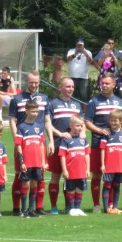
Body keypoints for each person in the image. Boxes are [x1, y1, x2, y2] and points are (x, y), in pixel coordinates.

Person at [9, 71, 53, 216]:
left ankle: (37, 207)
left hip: (39, 142)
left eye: (36, 82)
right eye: (31, 82)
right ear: (26, 82)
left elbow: (47, 121)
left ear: (39, 82)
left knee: (39, 175)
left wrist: (51, 140)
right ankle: (17, 207)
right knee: (20, 175)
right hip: (24, 142)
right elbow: (12, 121)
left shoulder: (44, 98)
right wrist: (17, 141)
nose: (34, 85)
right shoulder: (17, 99)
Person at [84, 73, 122, 213]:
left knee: (114, 176)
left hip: (116, 146)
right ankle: (97, 204)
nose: (104, 85)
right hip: (99, 143)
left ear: (114, 85)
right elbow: (87, 122)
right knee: (97, 174)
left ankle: (111, 206)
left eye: (107, 83)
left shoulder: (120, 102)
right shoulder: (94, 101)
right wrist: (100, 130)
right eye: (102, 83)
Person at [46, 77, 83, 214]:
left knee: (71, 177)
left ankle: (70, 207)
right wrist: (59, 134)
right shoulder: (52, 104)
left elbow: (81, 123)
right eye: (67, 86)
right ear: (60, 87)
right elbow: (48, 124)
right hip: (58, 145)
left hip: (74, 149)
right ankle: (54, 207)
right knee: (56, 176)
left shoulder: (77, 105)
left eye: (72, 87)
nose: (71, 89)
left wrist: (83, 134)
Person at [14, 100, 46, 217]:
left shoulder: (39, 127)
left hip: (37, 162)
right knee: (25, 184)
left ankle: (31, 209)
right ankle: (23, 209)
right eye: (33, 111)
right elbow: (18, 146)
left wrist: (43, 161)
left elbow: (42, 145)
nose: (35, 113)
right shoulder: (21, 127)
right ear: (26, 111)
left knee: (34, 184)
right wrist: (21, 162)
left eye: (37, 111)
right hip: (27, 162)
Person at [59, 115, 90, 216]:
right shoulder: (66, 139)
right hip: (70, 170)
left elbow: (87, 155)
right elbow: (62, 156)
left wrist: (88, 169)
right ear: (71, 125)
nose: (80, 128)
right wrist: (64, 170)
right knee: (71, 189)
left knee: (79, 189)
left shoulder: (83, 140)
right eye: (77, 125)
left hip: (82, 170)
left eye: (81, 126)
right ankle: (71, 208)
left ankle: (78, 208)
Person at [100, 109, 122, 215]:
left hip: (120, 165)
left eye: (115, 120)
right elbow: (102, 150)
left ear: (121, 121)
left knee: (117, 186)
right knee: (107, 185)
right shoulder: (106, 133)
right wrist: (103, 164)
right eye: (111, 120)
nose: (113, 122)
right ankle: (106, 207)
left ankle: (115, 207)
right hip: (109, 165)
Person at [66, 38, 93, 105]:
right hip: (72, 76)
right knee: (72, 93)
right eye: (78, 45)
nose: (79, 47)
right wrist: (75, 54)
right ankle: (71, 106)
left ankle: (84, 111)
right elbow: (68, 59)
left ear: (83, 45)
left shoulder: (88, 52)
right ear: (76, 45)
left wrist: (85, 54)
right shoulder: (71, 51)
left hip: (83, 77)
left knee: (84, 95)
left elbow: (90, 61)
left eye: (81, 45)